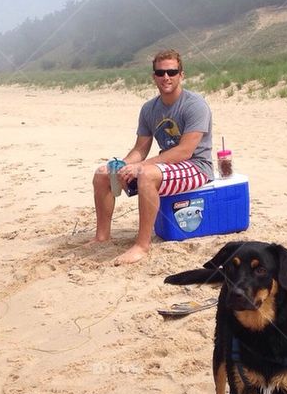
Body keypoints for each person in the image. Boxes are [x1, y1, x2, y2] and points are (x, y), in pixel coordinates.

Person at [91, 49, 213, 265]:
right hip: (165, 166)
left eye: (172, 72)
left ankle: (142, 245)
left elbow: (185, 151)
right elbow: (140, 148)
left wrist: (141, 167)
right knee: (102, 174)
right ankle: (102, 237)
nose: (166, 77)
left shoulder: (195, 105)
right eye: (161, 72)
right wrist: (123, 164)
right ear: (154, 76)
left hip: (196, 166)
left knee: (146, 174)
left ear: (181, 75)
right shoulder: (149, 109)